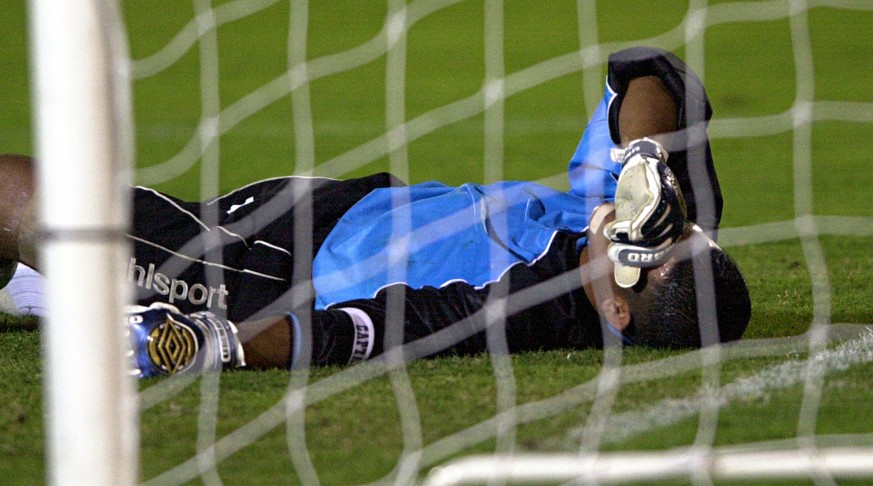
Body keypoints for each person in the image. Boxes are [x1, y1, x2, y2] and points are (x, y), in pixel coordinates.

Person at [0, 47, 750, 377]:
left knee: (22, 201)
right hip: (337, 204)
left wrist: (215, 345)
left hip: (267, 274)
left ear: (616, 311)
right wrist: (645, 160)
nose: (639, 226)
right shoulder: (637, 204)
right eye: (670, 227)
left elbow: (351, 336)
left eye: (644, 250)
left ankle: (51, 291)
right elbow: (654, 71)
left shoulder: (528, 313)